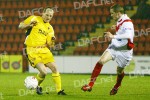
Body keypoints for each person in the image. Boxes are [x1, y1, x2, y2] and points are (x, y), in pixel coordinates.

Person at [81, 4, 134, 95]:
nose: (111, 15)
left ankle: (117, 85)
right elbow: (122, 30)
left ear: (118, 13)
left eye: (112, 13)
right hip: (114, 47)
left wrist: (113, 36)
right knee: (101, 61)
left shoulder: (127, 22)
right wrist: (116, 29)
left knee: (119, 71)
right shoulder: (120, 19)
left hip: (125, 51)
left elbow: (128, 35)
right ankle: (90, 85)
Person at [18, 7, 66, 95]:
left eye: (50, 16)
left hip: (44, 50)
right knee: (43, 72)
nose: (48, 17)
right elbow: (20, 26)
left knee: (55, 68)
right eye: (47, 15)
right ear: (43, 13)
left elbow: (50, 44)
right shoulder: (34, 18)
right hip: (32, 50)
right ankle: (37, 86)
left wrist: (52, 41)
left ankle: (59, 91)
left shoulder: (50, 28)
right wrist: (29, 25)